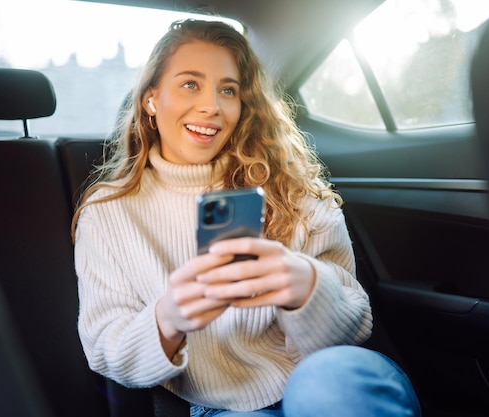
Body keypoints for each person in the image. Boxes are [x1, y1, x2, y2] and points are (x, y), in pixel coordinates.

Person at [72, 19, 421, 417]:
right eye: (190, 83)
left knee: (327, 389)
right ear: (151, 99)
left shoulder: (290, 186)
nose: (212, 106)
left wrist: (308, 287)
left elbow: (356, 322)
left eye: (228, 90)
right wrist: (168, 317)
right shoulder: (108, 212)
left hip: (333, 378)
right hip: (222, 406)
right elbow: (105, 347)